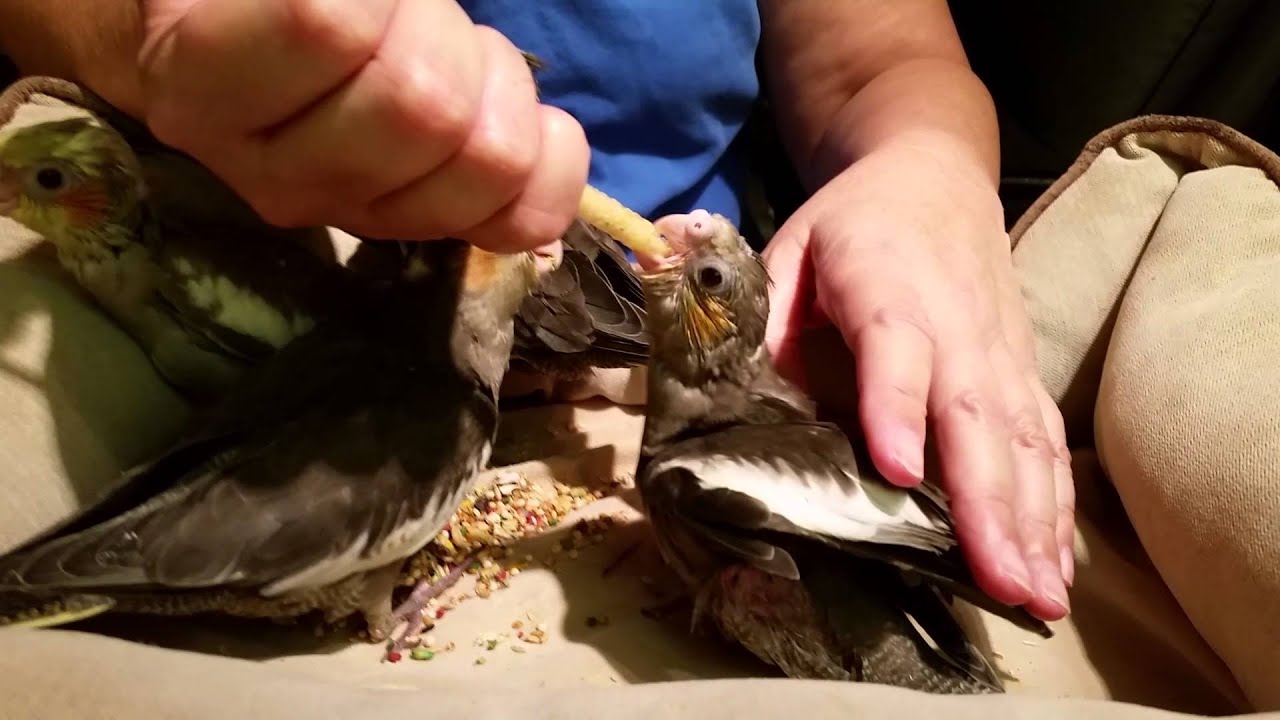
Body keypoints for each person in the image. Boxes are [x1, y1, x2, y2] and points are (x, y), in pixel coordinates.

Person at [0, 0, 1073, 622]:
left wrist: (927, 163)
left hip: (696, 333)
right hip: (293, 261)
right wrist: (149, 36)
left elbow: (884, 58)